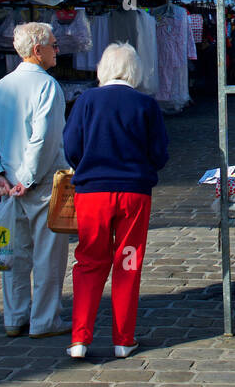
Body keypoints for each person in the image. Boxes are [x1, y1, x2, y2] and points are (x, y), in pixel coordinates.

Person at [62, 43, 169, 359]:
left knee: (89, 262)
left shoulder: (86, 101)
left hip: (92, 192)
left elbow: (71, 146)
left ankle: (80, 338)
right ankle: (123, 339)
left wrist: (86, 165)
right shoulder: (145, 105)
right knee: (128, 262)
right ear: (135, 70)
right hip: (134, 192)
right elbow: (160, 153)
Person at [0, 22, 71, 338]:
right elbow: (43, 139)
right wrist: (26, 179)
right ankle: (44, 319)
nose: (58, 50)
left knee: (14, 255)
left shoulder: (1, 86)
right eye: (54, 45)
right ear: (37, 49)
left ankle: (15, 316)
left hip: (8, 185)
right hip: (41, 184)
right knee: (47, 256)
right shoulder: (47, 87)